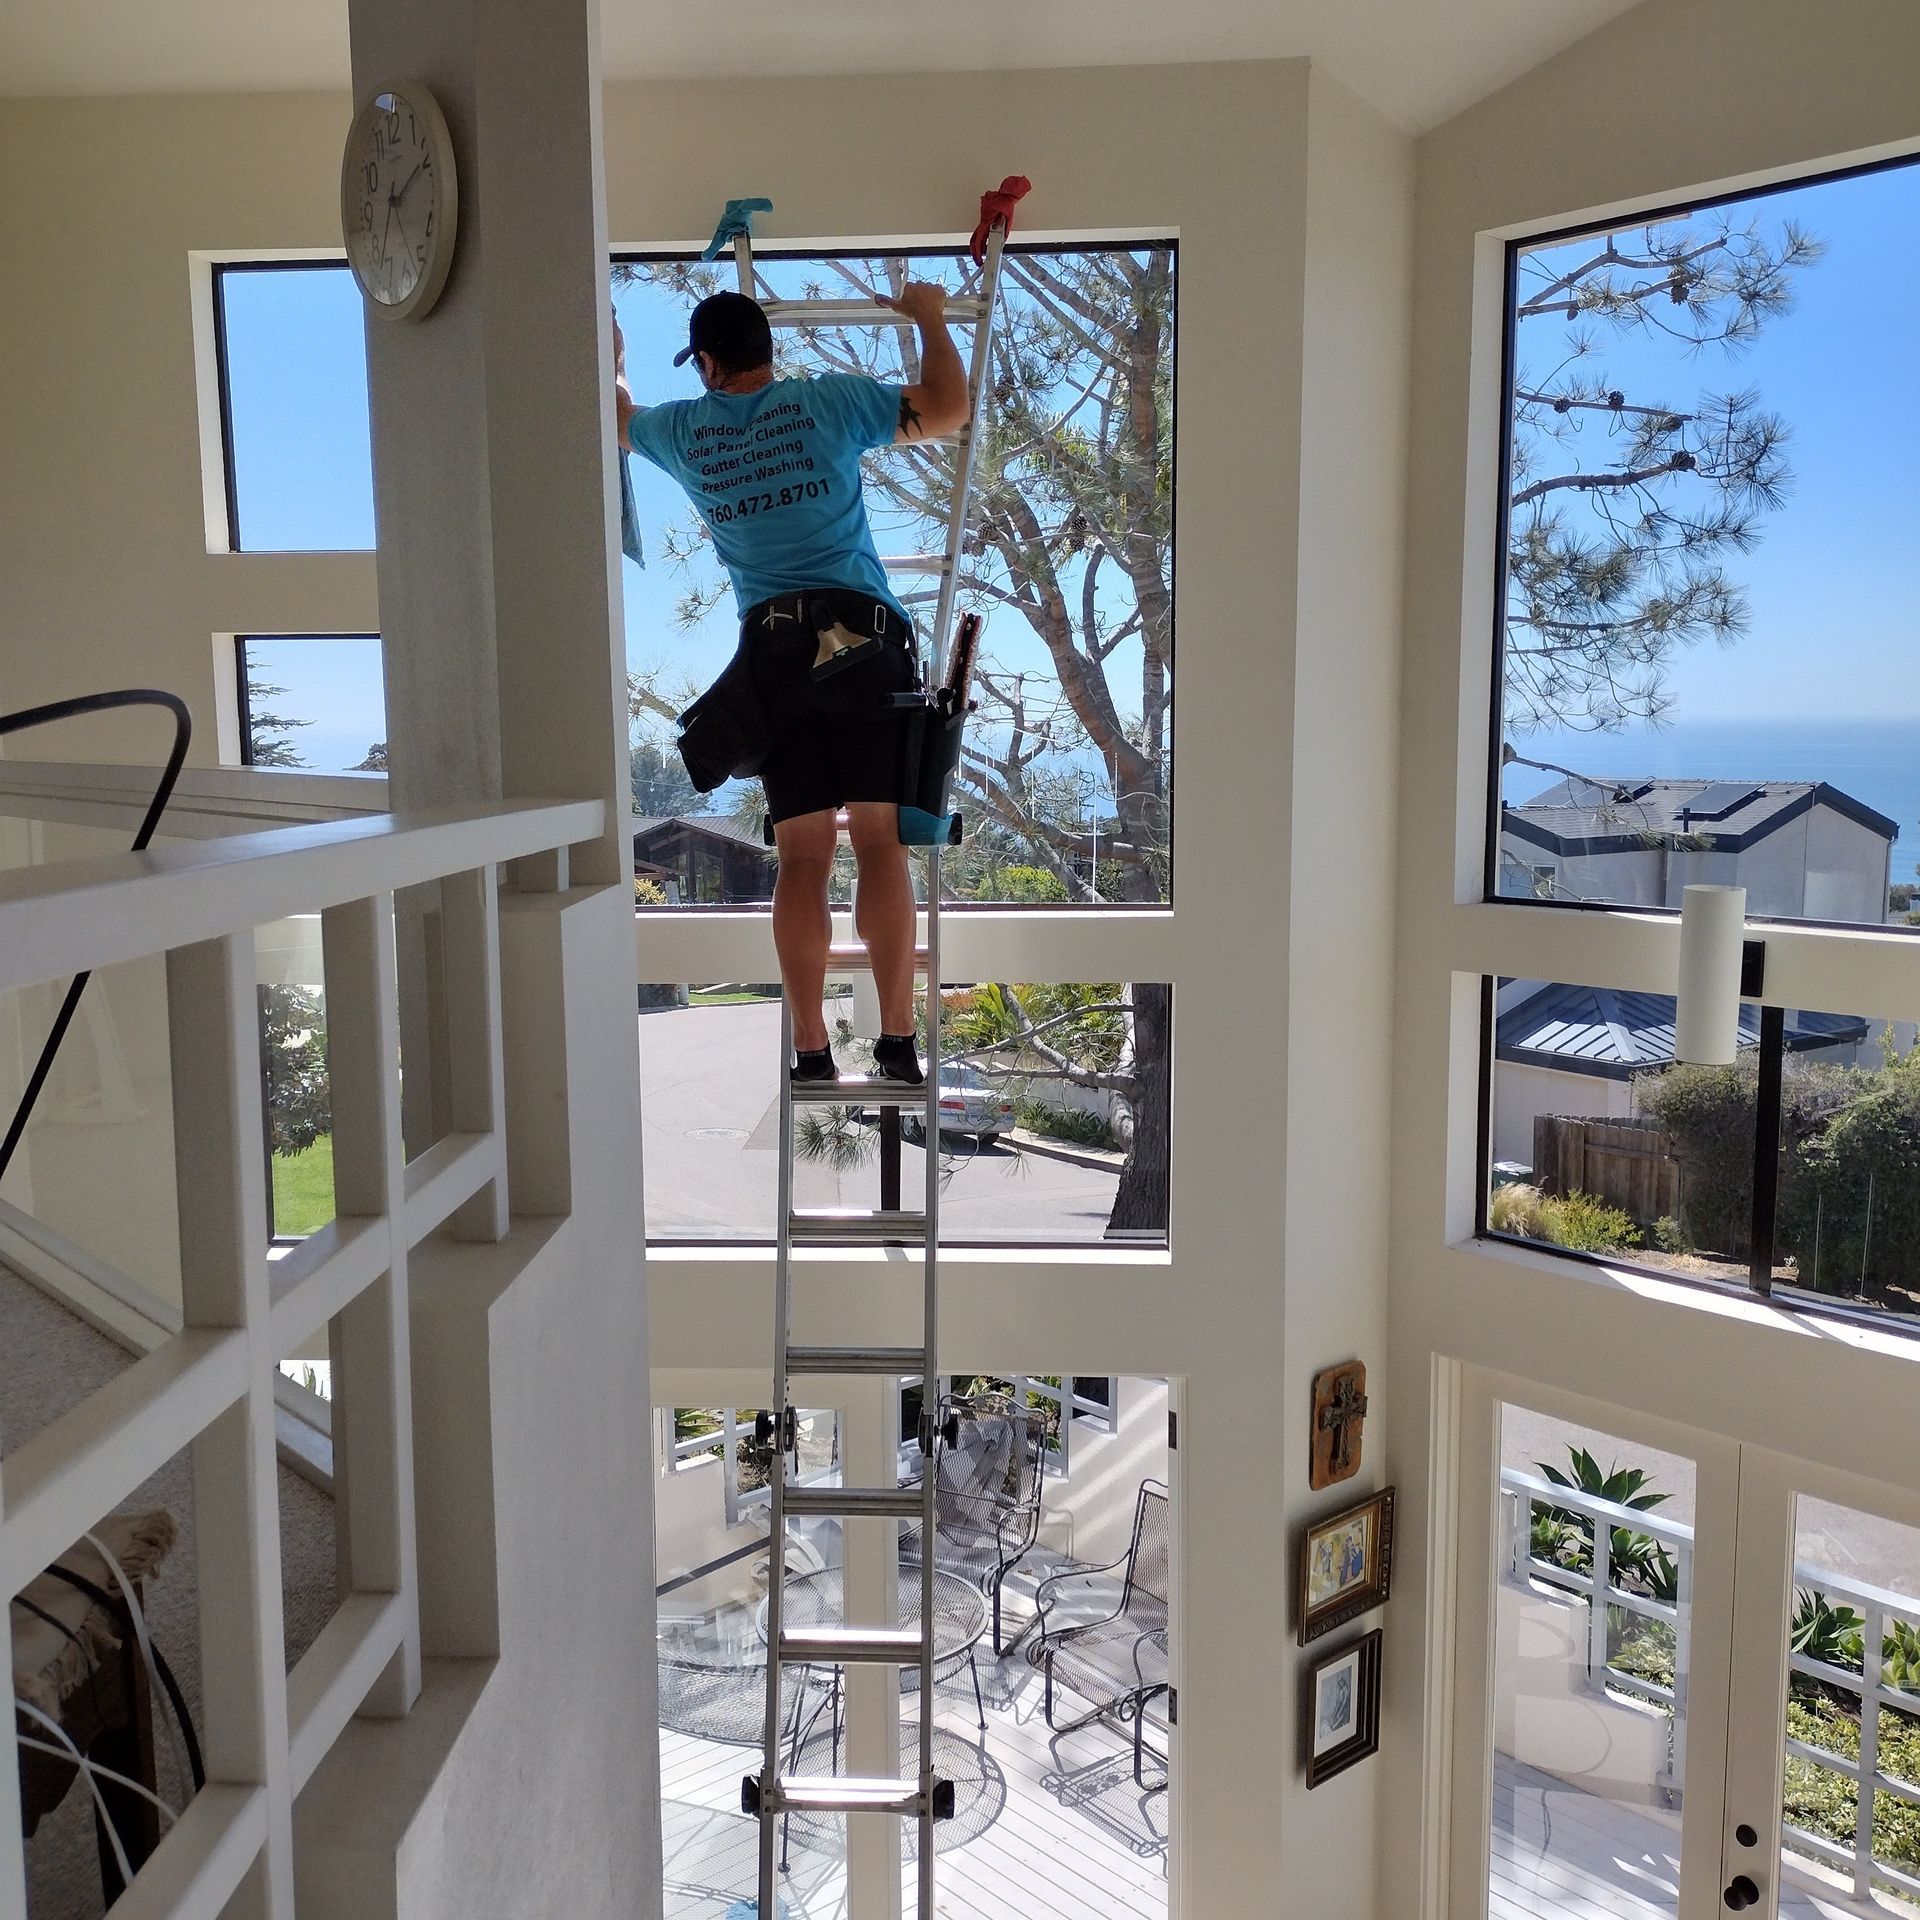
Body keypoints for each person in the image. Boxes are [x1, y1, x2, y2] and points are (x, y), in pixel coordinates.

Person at [615, 287, 970, 1084]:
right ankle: (896, 1042)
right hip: (863, 648)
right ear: (767, 350)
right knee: (881, 842)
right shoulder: (830, 404)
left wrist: (618, 363)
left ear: (707, 363)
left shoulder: (686, 431)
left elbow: (619, 416)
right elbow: (948, 408)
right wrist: (928, 318)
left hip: (774, 660)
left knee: (803, 858)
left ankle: (811, 1049)